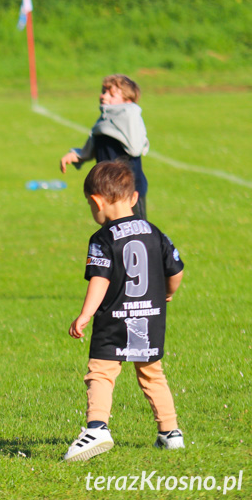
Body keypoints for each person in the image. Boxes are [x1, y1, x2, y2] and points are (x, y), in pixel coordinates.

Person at [63, 161, 184, 462]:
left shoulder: (102, 238)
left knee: (102, 373)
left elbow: (100, 280)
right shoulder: (154, 232)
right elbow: (177, 270)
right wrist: (168, 293)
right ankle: (171, 433)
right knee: (152, 374)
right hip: (150, 316)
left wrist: (86, 314)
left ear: (96, 201)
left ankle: (97, 428)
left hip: (115, 318)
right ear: (133, 198)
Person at [59, 74, 150, 219]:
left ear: (127, 101)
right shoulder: (103, 121)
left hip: (129, 190)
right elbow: (90, 149)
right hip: (107, 188)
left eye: (111, 94)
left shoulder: (129, 115)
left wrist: (130, 109)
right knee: (111, 232)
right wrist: (76, 155)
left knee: (134, 231)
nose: (104, 96)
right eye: (103, 91)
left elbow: (135, 147)